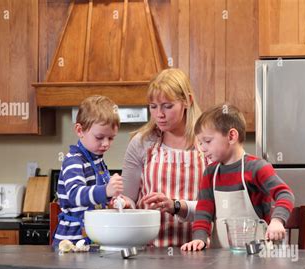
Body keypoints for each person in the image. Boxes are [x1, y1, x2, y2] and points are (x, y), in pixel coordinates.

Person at [181, 103, 295, 251]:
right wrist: (199, 239)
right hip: (220, 258)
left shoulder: (256, 168)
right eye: (200, 143)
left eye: (207, 141)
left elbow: (285, 194)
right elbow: (203, 211)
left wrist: (277, 221)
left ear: (231, 136)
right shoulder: (210, 173)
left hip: (259, 256)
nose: (202, 148)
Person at [120, 68, 206, 247]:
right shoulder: (141, 143)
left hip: (199, 248)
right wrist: (124, 204)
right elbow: (128, 198)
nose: (159, 114)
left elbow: (216, 205)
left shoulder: (207, 143)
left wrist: (176, 205)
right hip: (147, 250)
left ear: (187, 101)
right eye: (153, 106)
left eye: (167, 106)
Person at [53, 95, 123, 247]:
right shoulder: (74, 160)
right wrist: (106, 190)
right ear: (80, 130)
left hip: (92, 237)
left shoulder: (98, 160)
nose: (106, 144)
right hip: (71, 241)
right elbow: (75, 195)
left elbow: (98, 198)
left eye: (111, 138)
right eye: (99, 137)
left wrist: (115, 200)